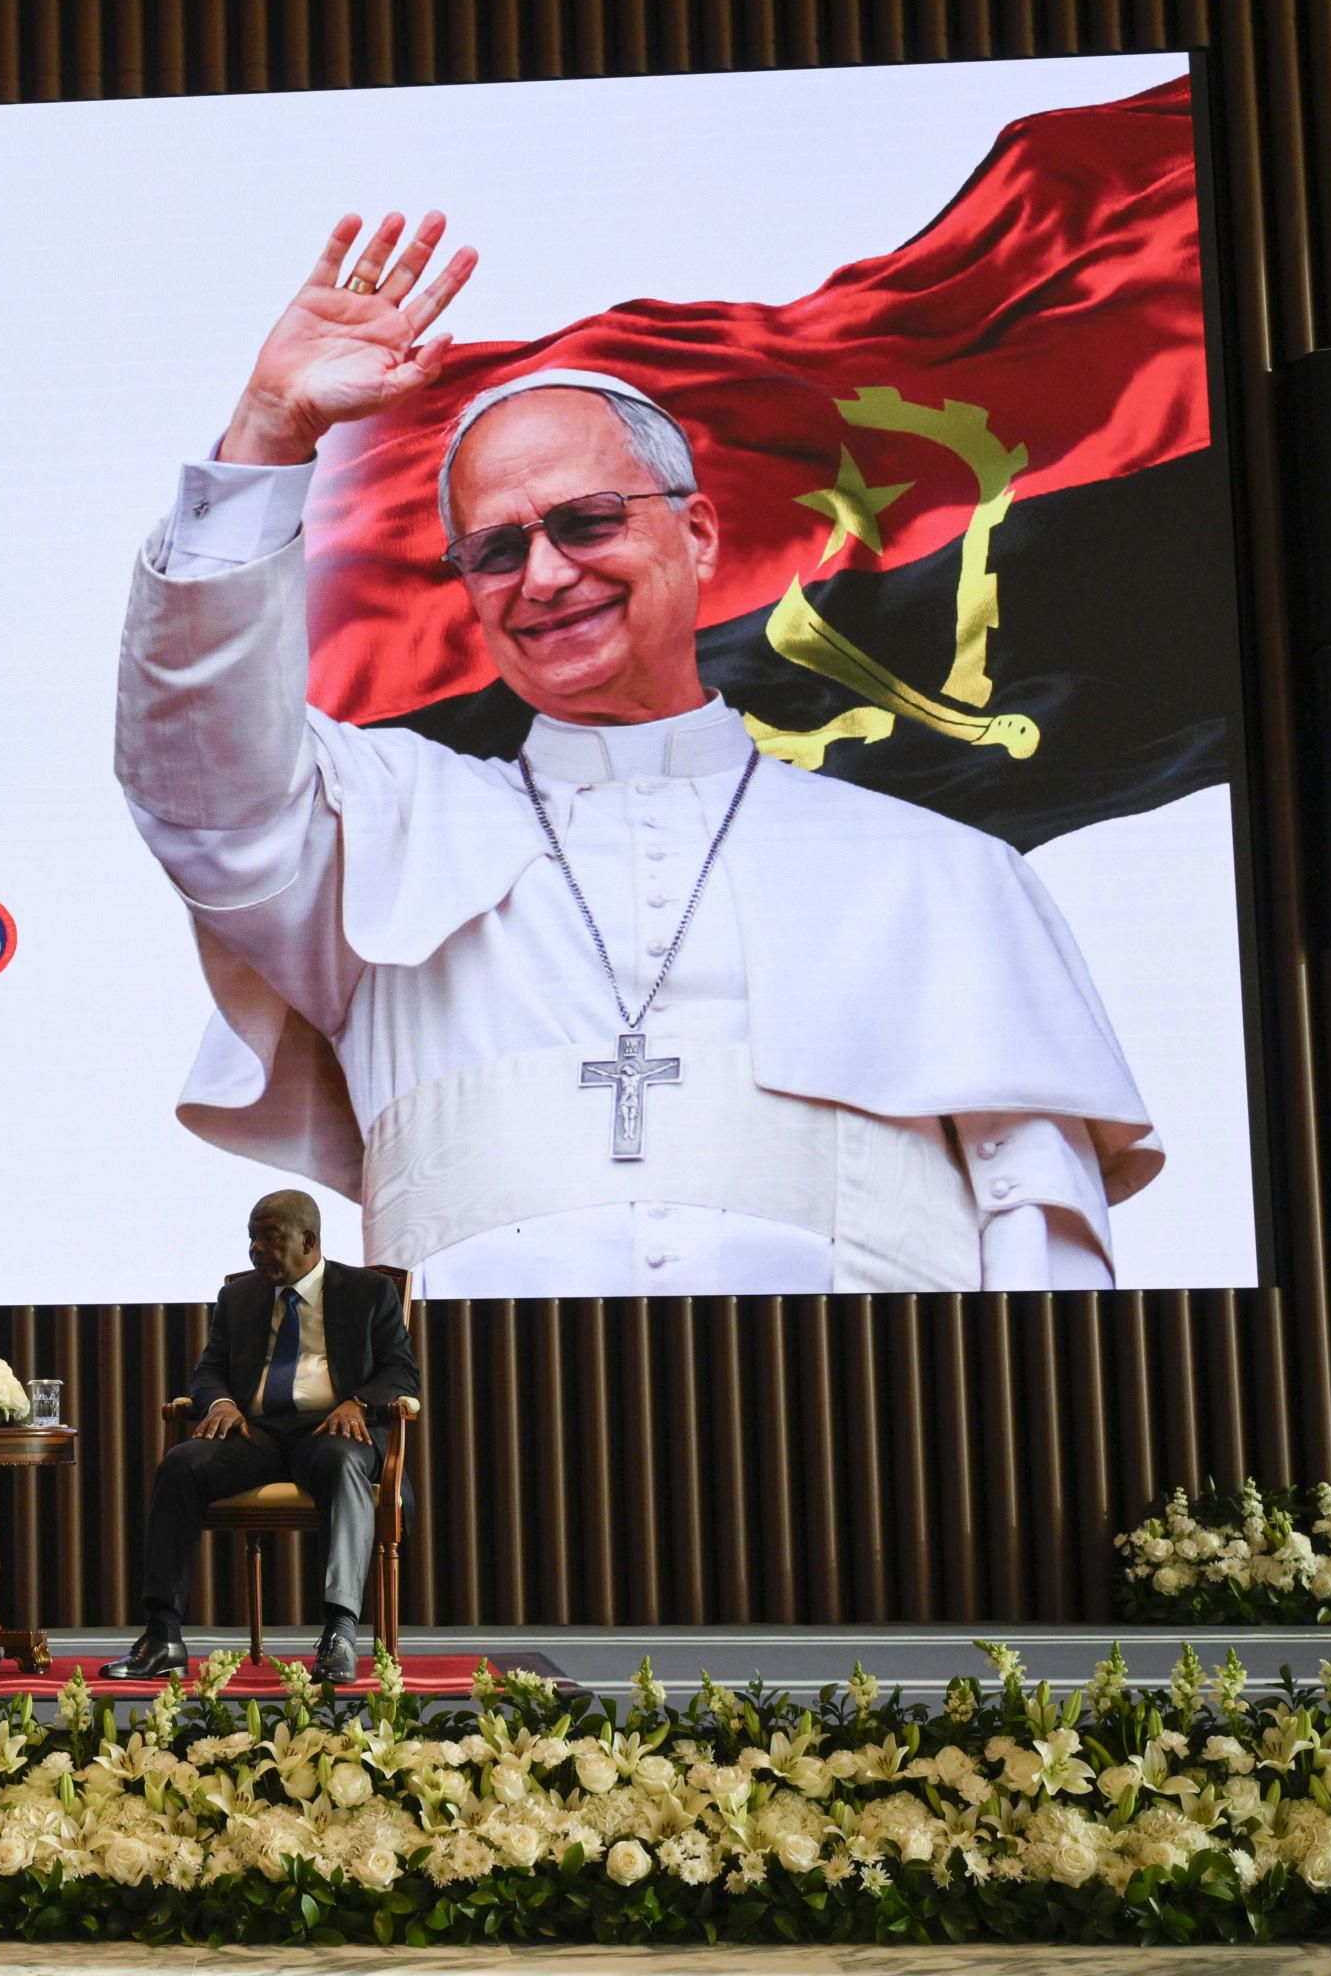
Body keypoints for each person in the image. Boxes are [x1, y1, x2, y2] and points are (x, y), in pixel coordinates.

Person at [115, 210, 1160, 1298]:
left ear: (698, 533)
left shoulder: (945, 873)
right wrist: (267, 433)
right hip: (476, 1402)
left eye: (588, 522)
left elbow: (1040, 1240)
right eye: (497, 550)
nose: (545, 576)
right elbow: (199, 766)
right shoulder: (381, 828)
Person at [102, 1189, 420, 1686]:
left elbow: (401, 1372)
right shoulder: (239, 1296)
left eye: (271, 1239)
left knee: (341, 1464)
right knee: (181, 1465)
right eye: (252, 1239)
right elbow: (209, 1371)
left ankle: (339, 1632)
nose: (256, 1251)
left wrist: (358, 1402)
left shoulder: (368, 1292)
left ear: (308, 1240)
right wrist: (221, 1404)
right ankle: (163, 1635)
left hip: (332, 1430)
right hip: (260, 1432)